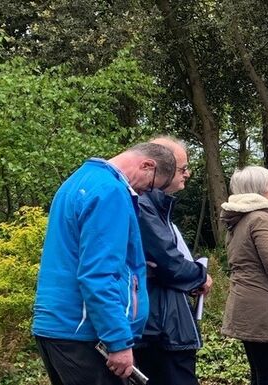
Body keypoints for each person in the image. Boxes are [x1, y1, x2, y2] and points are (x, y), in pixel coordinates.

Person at [32, 142, 176, 385]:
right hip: (83, 332)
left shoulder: (77, 181)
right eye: (151, 187)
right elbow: (99, 274)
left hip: (56, 328)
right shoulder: (111, 191)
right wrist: (118, 341)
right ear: (147, 165)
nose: (143, 194)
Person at [133, 137, 213, 385]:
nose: (187, 174)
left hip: (164, 323)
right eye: (182, 168)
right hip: (159, 328)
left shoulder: (158, 208)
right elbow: (168, 262)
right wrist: (199, 276)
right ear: (160, 167)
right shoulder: (144, 206)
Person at [220, 166, 268, 385]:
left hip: (244, 303)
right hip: (262, 306)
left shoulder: (239, 220)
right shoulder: (260, 219)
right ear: (260, 190)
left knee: (258, 374)